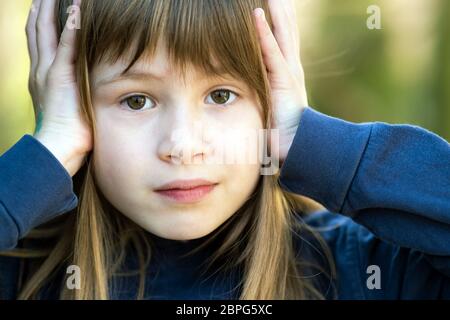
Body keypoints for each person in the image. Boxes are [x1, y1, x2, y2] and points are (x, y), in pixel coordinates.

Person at [0, 0, 449, 300]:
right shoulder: (23, 273)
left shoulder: (358, 268)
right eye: (136, 100)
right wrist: (49, 151)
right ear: (73, 104)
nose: (183, 146)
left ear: (272, 98)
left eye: (220, 95)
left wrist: (312, 143)